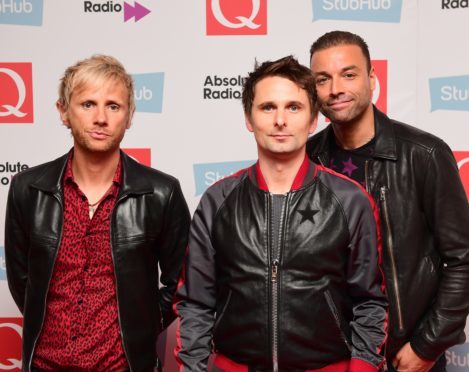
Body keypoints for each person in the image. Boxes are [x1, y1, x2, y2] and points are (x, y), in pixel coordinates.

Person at [175, 55, 387, 372]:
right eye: (267, 107)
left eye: (293, 107)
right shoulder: (218, 200)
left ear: (313, 119)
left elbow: (370, 302)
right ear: (249, 118)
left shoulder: (350, 200)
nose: (280, 121)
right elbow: (196, 302)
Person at [307, 31, 469, 372]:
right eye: (322, 79)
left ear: (372, 79)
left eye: (349, 74)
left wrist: (426, 346)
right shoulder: (307, 160)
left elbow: (464, 261)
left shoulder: (424, 155)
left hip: (403, 357)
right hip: (331, 357)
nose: (335, 89)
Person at [5, 55, 190, 371]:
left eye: (114, 106)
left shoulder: (162, 192)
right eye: (87, 104)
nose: (101, 118)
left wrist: (142, 324)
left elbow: (182, 282)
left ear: (129, 116)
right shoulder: (28, 189)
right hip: (44, 365)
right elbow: (22, 282)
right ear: (64, 112)